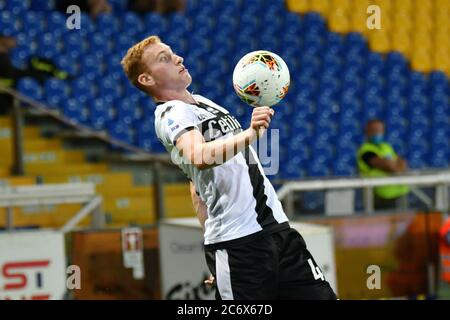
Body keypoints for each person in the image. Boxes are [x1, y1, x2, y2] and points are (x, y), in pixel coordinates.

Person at [121, 35, 337, 300]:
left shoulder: (203, 103)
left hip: (278, 231)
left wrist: (211, 242)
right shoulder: (171, 113)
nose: (178, 58)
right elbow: (198, 156)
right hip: (241, 245)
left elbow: (196, 185)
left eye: (173, 52)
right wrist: (251, 133)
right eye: (164, 58)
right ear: (147, 79)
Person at [356, 119, 410, 210]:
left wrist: (394, 165)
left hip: (400, 193)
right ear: (367, 132)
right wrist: (393, 165)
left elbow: (402, 163)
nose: (378, 133)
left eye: (380, 130)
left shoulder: (386, 146)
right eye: (375, 131)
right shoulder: (366, 151)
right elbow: (388, 166)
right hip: (381, 197)